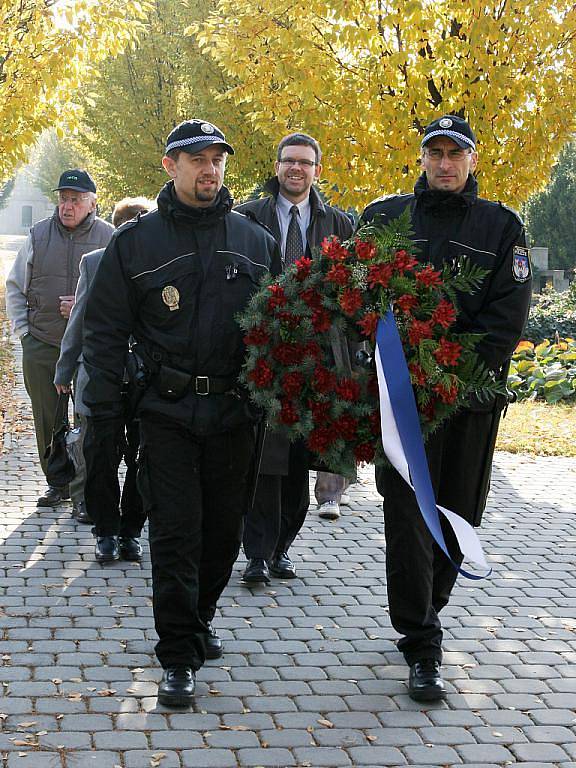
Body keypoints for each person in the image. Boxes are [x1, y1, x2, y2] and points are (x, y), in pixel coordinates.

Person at [81, 119, 280, 707]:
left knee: (222, 532)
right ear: (170, 165)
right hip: (164, 413)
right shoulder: (136, 242)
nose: (209, 169)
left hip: (234, 414)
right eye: (196, 159)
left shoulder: (254, 242)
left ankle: (200, 616)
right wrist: (103, 409)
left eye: (217, 159)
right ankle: (177, 655)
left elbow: (279, 329)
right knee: (175, 534)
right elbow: (105, 330)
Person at [361, 115, 532, 701]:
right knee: (406, 515)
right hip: (399, 405)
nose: (444, 163)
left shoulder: (502, 227)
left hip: (468, 402)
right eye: (434, 152)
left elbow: (505, 321)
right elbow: (356, 296)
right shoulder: (384, 218)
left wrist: (443, 371)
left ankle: (428, 603)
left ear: (473, 161)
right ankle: (422, 640)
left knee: (458, 515)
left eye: (455, 153)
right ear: (422, 158)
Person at [235, 133, 354, 584]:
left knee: (300, 460)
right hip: (263, 354)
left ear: (316, 171)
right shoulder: (247, 218)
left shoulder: (340, 225)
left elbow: (351, 288)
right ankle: (257, 553)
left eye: (305, 162)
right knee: (265, 457)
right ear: (278, 166)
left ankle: (283, 546)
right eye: (288, 161)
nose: (296, 169)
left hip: (317, 359)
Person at [5, 169, 114, 509]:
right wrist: (25, 335)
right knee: (48, 420)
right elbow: (15, 287)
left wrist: (83, 305)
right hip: (42, 343)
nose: (67, 206)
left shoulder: (110, 237)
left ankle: (84, 490)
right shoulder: (38, 235)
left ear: (92, 203)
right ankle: (58, 483)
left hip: (90, 349)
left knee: (87, 421)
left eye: (76, 200)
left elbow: (120, 295)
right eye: (63, 199)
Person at [54, 197, 155, 563]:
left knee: (144, 456)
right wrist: (65, 370)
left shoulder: (159, 266)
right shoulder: (95, 264)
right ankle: (106, 531)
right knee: (99, 456)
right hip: (101, 374)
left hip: (146, 379)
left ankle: (131, 530)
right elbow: (79, 319)